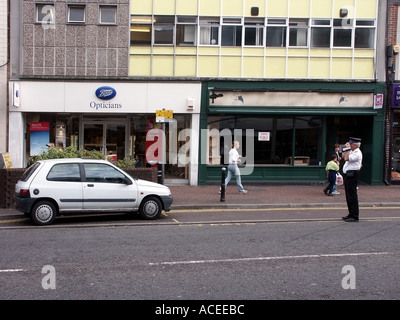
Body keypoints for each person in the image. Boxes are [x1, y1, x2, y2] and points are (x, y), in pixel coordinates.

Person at [342, 137, 363, 222]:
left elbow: (347, 158)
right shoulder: (352, 151)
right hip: (348, 175)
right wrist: (345, 149)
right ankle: (350, 214)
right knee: (348, 195)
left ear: (354, 145)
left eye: (350, 144)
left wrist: (347, 149)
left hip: (352, 175)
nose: (349, 145)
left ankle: (354, 215)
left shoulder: (357, 153)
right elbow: (343, 156)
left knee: (352, 195)